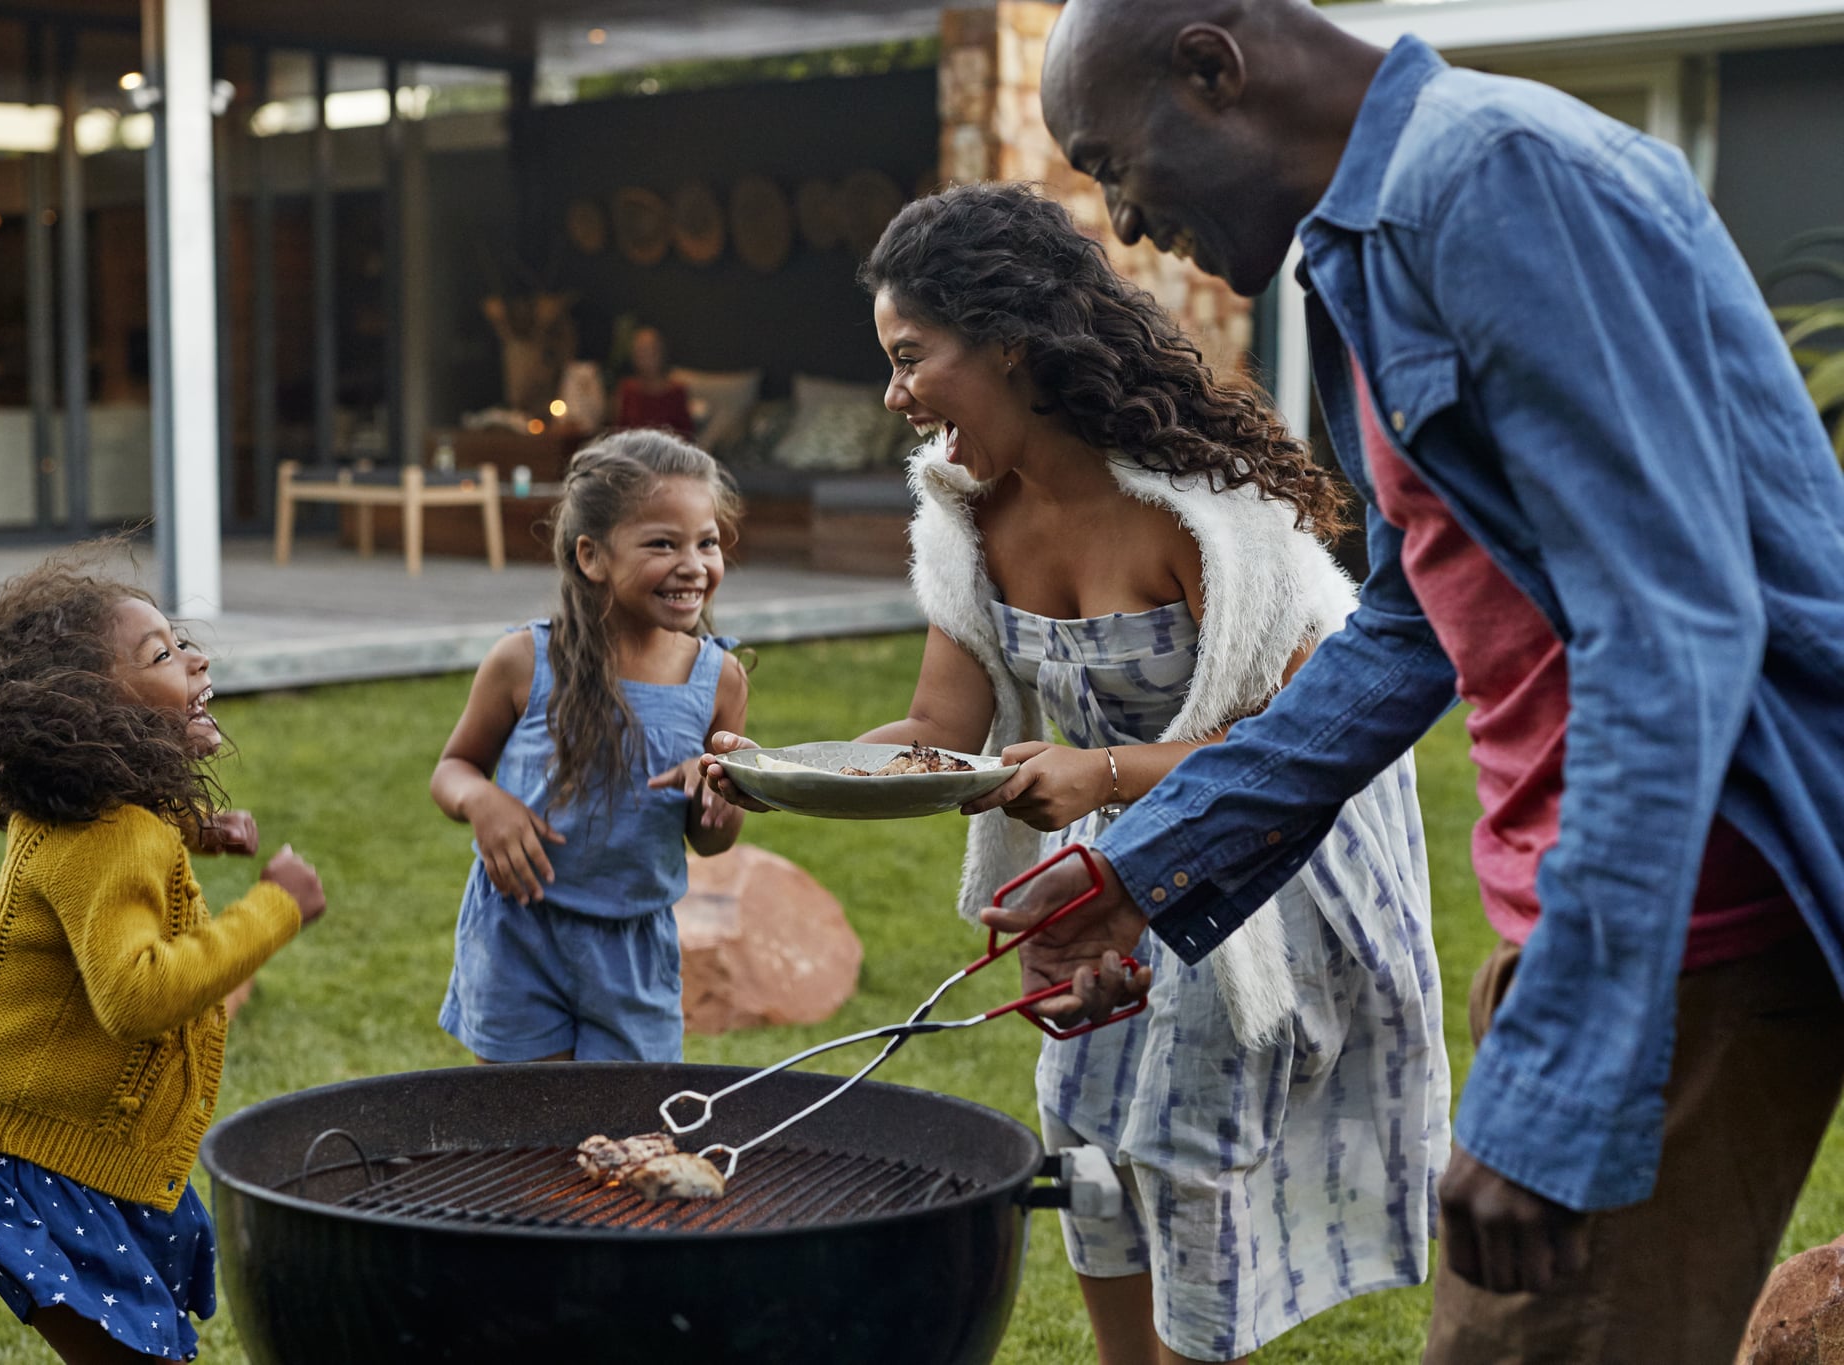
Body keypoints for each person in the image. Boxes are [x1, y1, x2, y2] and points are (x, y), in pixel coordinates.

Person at [1015, 2, 1844, 1361]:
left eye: (1114, 165)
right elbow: (1413, 625)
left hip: (1694, 924)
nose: (1124, 225)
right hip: (1573, 913)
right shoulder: (1359, 253)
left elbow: (1670, 631)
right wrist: (1140, 869)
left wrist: (1561, 1081)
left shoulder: (1494, 182)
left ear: (1212, 69)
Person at [703, 183, 1450, 1364]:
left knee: (1187, 1138)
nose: (896, 397)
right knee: (1084, 1121)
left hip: (1270, 859)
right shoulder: (960, 513)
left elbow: (1305, 751)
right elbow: (936, 730)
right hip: (1105, 833)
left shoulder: (1212, 518)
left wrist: (1101, 775)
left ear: (1006, 340)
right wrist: (766, 772)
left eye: (911, 359)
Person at [0, 555, 327, 1364]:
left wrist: (191, 826)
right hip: (33, 1160)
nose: (198, 658)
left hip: (55, 1146)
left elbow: (90, 859)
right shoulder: (115, 836)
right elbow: (136, 992)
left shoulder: (85, 810)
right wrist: (275, 908)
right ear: (92, 714)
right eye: (163, 655)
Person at [432, 430, 747, 1064]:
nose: (693, 564)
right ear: (592, 556)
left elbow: (712, 838)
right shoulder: (524, 660)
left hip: (634, 949)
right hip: (519, 933)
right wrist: (482, 803)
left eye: (706, 542)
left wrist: (718, 794)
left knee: (625, 1140)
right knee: (524, 1132)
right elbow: (453, 768)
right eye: (664, 543)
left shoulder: (719, 678)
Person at [609, 326, 696, 439]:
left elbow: (687, 437)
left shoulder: (676, 392)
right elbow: (618, 432)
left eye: (650, 351)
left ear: (661, 353)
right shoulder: (627, 389)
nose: (645, 358)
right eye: (639, 352)